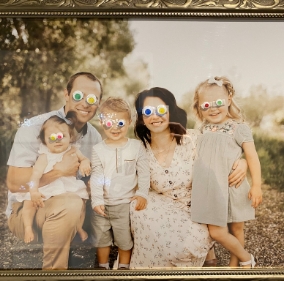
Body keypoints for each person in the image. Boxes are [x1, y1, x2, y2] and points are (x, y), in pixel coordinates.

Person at [130, 87, 248, 268]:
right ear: (141, 118)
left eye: (161, 110)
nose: (155, 116)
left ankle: (204, 253)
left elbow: (224, 149)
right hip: (165, 208)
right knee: (137, 209)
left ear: (171, 111)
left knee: (181, 249)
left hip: (198, 211)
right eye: (148, 112)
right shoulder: (139, 150)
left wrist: (243, 161)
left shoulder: (193, 138)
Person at [6, 72, 102, 269]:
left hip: (74, 206)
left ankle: (115, 266)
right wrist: (58, 171)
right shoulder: (35, 127)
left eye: (92, 99)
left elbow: (99, 177)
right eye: (78, 96)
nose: (85, 103)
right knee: (70, 203)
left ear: (98, 103)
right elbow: (14, 183)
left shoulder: (94, 137)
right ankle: (54, 272)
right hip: (30, 209)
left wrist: (96, 184)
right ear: (66, 94)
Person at [191, 76, 263, 267]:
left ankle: (235, 265)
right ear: (199, 107)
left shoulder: (239, 128)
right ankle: (245, 258)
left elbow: (252, 157)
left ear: (229, 100)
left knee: (237, 227)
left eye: (219, 102)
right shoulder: (201, 130)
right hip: (211, 190)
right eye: (206, 105)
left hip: (233, 186)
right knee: (215, 230)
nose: (213, 108)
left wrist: (256, 185)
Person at [90, 97, 150, 270]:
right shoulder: (98, 149)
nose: (115, 128)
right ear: (101, 122)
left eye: (120, 123)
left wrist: (142, 193)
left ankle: (124, 268)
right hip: (102, 205)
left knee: (125, 240)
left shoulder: (136, 147)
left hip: (125, 204)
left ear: (129, 122)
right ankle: (102, 267)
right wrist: (97, 200)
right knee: (102, 239)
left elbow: (144, 173)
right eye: (109, 123)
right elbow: (96, 177)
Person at [15, 113, 91, 244]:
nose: (57, 140)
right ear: (44, 141)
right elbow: (35, 175)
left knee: (82, 201)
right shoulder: (45, 156)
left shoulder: (74, 150)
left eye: (61, 136)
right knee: (29, 201)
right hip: (48, 188)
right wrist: (33, 191)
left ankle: (78, 226)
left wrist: (84, 163)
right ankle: (28, 227)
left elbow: (84, 159)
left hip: (68, 186)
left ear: (70, 137)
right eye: (51, 137)